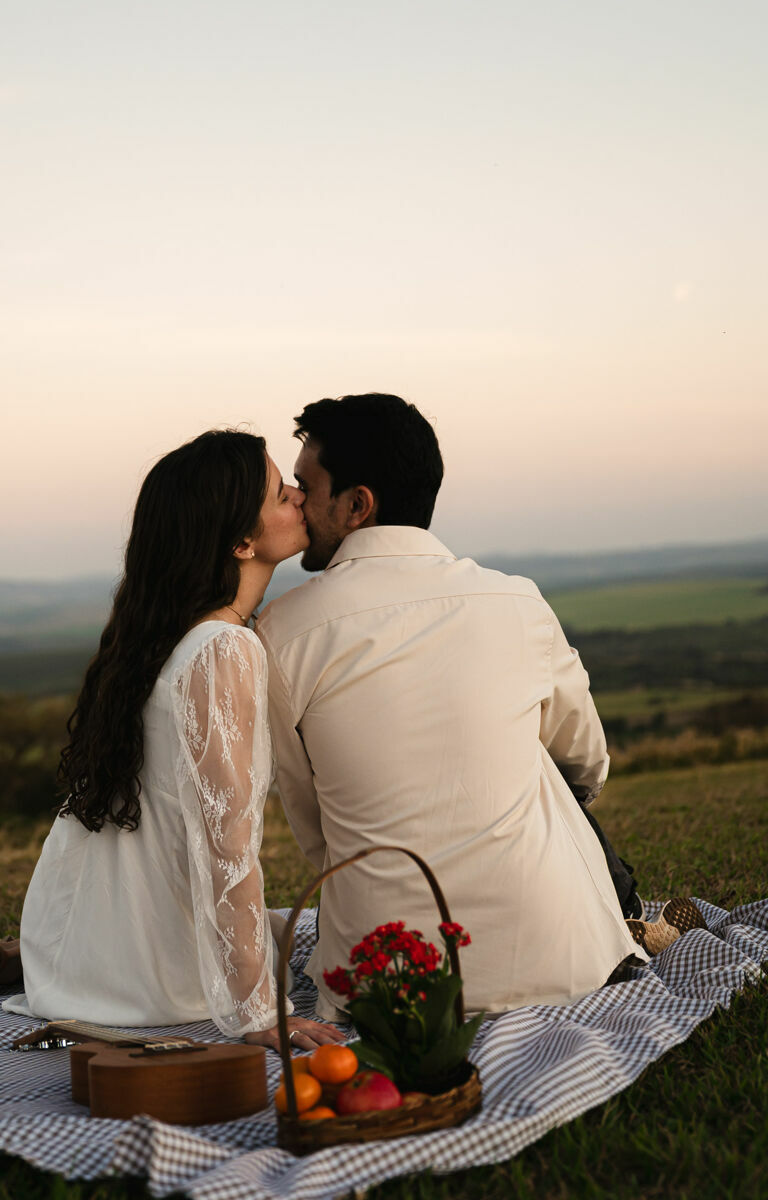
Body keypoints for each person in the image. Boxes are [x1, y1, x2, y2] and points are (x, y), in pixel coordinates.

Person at [255, 393, 702, 1021]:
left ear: (358, 505)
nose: (297, 502)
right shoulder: (516, 601)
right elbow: (587, 762)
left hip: (383, 987)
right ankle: (620, 916)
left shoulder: (281, 632)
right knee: (539, 758)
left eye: (306, 486)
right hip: (565, 966)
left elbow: (315, 826)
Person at [0, 430, 344, 1053]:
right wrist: (256, 1011)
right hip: (153, 979)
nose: (298, 496)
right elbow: (227, 842)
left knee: (291, 926)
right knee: (310, 931)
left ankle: (6, 956)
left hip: (84, 944)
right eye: (279, 493)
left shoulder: (158, 638)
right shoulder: (224, 647)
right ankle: (9, 956)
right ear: (241, 542)